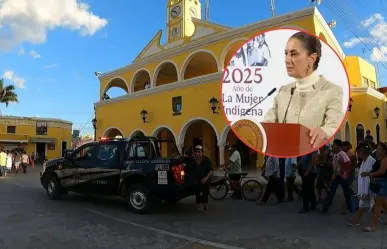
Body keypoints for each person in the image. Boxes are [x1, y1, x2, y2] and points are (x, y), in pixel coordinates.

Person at [263, 31, 344, 148]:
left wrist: (324, 132)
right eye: (286, 54)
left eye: (294, 54)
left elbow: (332, 125)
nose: (287, 59)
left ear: (312, 58)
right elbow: (269, 121)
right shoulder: (283, 91)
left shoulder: (332, 91)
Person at [321, 139, 353, 214]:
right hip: (336, 176)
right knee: (331, 191)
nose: (332, 147)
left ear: (338, 146)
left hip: (342, 176)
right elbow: (334, 165)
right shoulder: (335, 154)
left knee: (346, 192)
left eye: (334, 145)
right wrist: (334, 173)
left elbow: (348, 164)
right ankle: (325, 207)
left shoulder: (342, 154)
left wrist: (342, 172)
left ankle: (351, 207)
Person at [361, 142, 387, 231]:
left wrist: (369, 174)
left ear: (384, 151)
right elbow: (374, 169)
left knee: (377, 205)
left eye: (379, 149)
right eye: (377, 148)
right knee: (382, 202)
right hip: (377, 183)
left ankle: (373, 225)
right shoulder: (379, 158)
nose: (377, 150)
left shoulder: (385, 159)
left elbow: (381, 172)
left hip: (383, 183)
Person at [348, 142, 375, 227]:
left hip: (368, 188)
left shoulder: (371, 161)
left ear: (362, 152)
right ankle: (375, 217)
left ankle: (357, 221)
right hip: (364, 188)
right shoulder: (363, 161)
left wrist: (367, 192)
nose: (358, 154)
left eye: (359, 152)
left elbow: (370, 177)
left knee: (362, 205)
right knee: (375, 204)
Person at [185, 145, 213, 211]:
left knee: (205, 190)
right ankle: (198, 203)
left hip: (205, 178)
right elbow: (186, 170)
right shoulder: (192, 161)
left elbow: (210, 170)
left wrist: (206, 178)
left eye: (199, 151)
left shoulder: (206, 160)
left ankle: (205, 204)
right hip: (196, 180)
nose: (197, 153)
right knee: (197, 189)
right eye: (196, 151)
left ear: (202, 152)